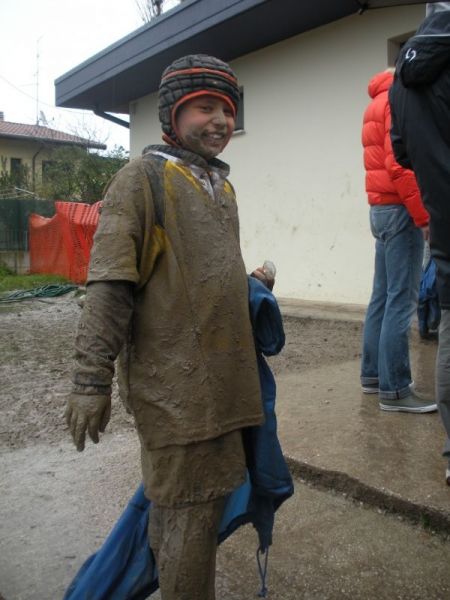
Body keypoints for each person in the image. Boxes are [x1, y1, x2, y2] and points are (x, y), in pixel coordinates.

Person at [65, 54, 274, 598]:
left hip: (224, 394)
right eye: (205, 107)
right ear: (173, 112)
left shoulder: (220, 188)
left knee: (191, 512)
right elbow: (110, 285)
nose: (222, 121)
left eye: (229, 110)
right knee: (188, 516)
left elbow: (200, 275)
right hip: (176, 396)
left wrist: (250, 285)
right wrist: (91, 379)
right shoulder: (142, 181)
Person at [389, 2, 450, 483]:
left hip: (441, 211)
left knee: (445, 324)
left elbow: (401, 151)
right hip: (417, 210)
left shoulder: (398, 79)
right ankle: (392, 385)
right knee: (402, 299)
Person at [360, 68, 437, 414]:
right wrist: (423, 217)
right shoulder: (397, 97)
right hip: (401, 209)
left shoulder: (376, 100)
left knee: (382, 296)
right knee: (401, 300)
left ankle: (373, 376)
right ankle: (395, 390)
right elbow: (398, 164)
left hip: (380, 207)